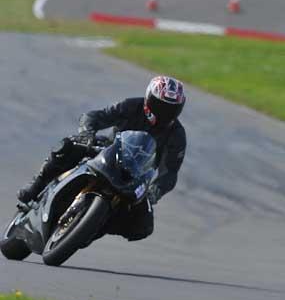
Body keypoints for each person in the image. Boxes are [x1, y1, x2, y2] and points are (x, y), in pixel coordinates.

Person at [16, 76, 188, 241]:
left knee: (143, 227)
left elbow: (170, 172)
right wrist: (87, 133)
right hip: (108, 151)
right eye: (160, 105)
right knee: (68, 146)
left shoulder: (177, 135)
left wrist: (154, 192)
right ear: (148, 99)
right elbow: (94, 116)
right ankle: (37, 184)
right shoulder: (131, 106)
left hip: (136, 175)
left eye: (171, 109)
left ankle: (97, 225)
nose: (164, 112)